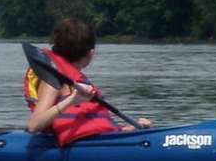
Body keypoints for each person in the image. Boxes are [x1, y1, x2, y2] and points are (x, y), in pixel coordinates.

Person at [24, 17, 150, 146]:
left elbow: (93, 127)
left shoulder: (75, 81)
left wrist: (130, 129)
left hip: (93, 141)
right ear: (91, 53)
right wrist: (71, 100)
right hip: (73, 146)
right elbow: (33, 126)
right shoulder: (54, 79)